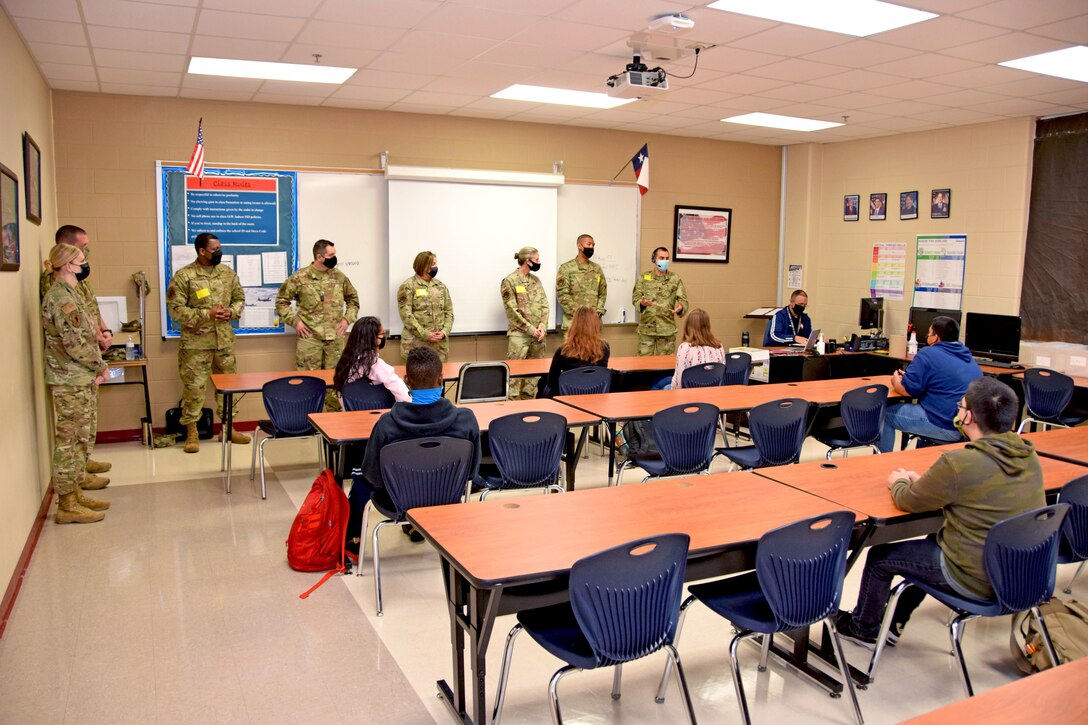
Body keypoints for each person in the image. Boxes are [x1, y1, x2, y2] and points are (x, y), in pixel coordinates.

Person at [836, 377, 1045, 647]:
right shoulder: (1029, 456)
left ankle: (862, 628)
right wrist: (930, 483)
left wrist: (899, 482)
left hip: (978, 578)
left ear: (968, 417)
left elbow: (908, 500)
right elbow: (978, 492)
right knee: (932, 541)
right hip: (1023, 574)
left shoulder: (960, 462)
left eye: (961, 406)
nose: (958, 411)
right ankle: (895, 621)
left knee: (879, 557)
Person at [347, 346, 480, 548]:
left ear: (406, 381)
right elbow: (471, 472)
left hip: (399, 502)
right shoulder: (466, 420)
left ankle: (352, 541)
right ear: (440, 380)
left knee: (359, 476)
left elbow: (373, 475)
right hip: (447, 497)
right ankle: (414, 526)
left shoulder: (387, 424)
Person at [41, 243, 111, 523]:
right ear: (69, 265)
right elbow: (73, 343)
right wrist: (100, 366)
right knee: (70, 442)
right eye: (81, 260)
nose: (85, 264)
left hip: (79, 377)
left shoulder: (71, 293)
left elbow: (84, 332)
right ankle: (67, 504)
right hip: (70, 378)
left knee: (81, 439)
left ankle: (75, 492)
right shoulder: (61, 298)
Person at [166, 232, 248, 453]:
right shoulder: (185, 276)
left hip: (224, 342)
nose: (219, 252)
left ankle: (228, 428)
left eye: (219, 248)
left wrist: (231, 312)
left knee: (228, 387)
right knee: (194, 389)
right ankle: (192, 432)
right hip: (196, 345)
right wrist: (206, 314)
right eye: (214, 249)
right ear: (202, 251)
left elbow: (240, 299)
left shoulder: (227, 273)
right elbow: (175, 310)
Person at [275, 239, 360, 411]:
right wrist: (295, 322)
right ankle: (307, 421)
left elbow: (353, 300)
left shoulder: (339, 277)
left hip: (335, 339)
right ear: (319, 257)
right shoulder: (299, 277)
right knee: (307, 384)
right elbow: (281, 302)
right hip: (310, 338)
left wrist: (347, 319)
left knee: (336, 383)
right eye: (331, 255)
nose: (334, 258)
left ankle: (334, 421)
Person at [879, 315, 981, 452]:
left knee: (884, 415)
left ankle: (881, 460)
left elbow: (907, 390)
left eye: (929, 333)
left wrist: (896, 381)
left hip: (944, 424)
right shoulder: (967, 355)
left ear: (936, 337)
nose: (927, 336)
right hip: (966, 426)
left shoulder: (928, 353)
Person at [500, 246, 549, 399]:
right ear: (528, 261)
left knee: (532, 379)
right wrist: (531, 330)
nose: (539, 262)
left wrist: (542, 327)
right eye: (536, 259)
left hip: (538, 337)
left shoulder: (536, 280)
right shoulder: (510, 281)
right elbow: (512, 312)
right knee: (515, 378)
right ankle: (514, 408)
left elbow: (544, 305)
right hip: (520, 336)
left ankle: (528, 404)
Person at [332, 316, 410, 405]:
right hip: (376, 409)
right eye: (382, 334)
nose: (383, 336)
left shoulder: (345, 361)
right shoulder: (375, 364)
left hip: (351, 410)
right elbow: (403, 394)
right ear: (372, 338)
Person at [538, 306, 610, 398]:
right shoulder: (605, 348)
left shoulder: (564, 350)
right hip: (596, 397)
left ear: (574, 325)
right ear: (596, 325)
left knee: (542, 382)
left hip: (568, 400)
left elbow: (551, 383)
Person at [397, 250, 453, 362]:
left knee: (440, 373)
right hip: (415, 345)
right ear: (423, 265)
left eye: (435, 264)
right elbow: (406, 315)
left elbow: (449, 311)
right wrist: (425, 334)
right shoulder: (408, 286)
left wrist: (444, 332)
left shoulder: (440, 286)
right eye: (432, 264)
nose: (435, 267)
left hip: (439, 347)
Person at [631, 246, 687, 356]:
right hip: (647, 330)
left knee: (665, 364)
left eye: (667, 258)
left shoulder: (675, 278)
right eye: (661, 258)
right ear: (654, 259)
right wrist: (642, 303)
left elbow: (683, 300)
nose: (664, 261)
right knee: (643, 364)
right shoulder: (644, 278)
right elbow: (635, 298)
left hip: (667, 331)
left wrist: (681, 307)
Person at [654, 308, 726, 390]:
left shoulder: (685, 348)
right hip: (713, 391)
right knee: (661, 381)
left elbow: (678, 384)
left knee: (657, 385)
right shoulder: (719, 347)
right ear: (708, 326)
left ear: (688, 326)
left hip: (690, 393)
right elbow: (722, 377)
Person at [556, 234, 606, 337]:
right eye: (589, 244)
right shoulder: (566, 268)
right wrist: (581, 316)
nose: (591, 247)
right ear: (579, 246)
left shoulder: (597, 269)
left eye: (593, 245)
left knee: (595, 348)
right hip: (573, 323)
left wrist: (597, 312)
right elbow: (563, 295)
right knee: (572, 348)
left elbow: (602, 293)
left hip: (593, 324)